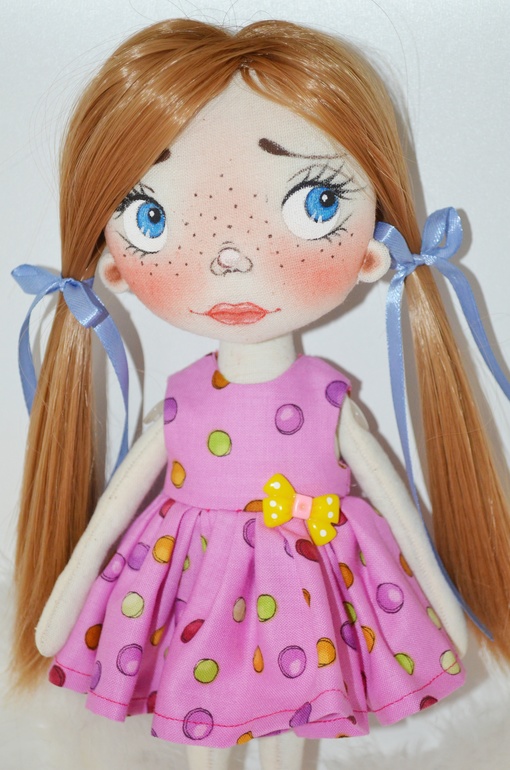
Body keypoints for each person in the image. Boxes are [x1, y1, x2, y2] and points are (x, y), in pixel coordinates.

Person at [12, 19, 510, 770]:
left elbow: (399, 510)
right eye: (154, 217)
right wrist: (58, 611)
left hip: (307, 584)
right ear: (114, 267)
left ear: (372, 252)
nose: (232, 256)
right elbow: (113, 510)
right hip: (195, 586)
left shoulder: (326, 398)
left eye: (314, 204)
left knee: (291, 727)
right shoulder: (182, 400)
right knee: (199, 717)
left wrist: (446, 604)